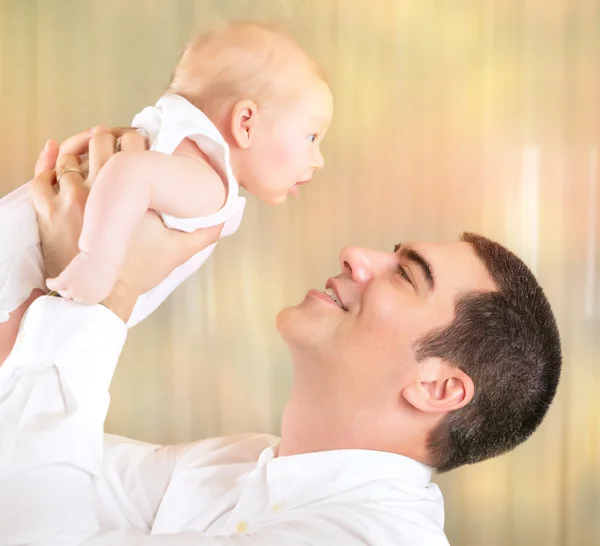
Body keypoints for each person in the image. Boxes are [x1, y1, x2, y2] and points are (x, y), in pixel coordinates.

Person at [0, 133, 561, 545]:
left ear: (438, 387)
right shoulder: (228, 466)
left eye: (406, 275)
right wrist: (66, 239)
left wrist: (106, 290)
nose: (356, 255)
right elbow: (23, 467)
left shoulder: (370, 539)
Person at [0, 20, 333, 360]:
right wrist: (96, 259)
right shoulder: (208, 183)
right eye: (311, 137)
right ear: (245, 122)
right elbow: (126, 171)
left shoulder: (171, 140)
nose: (318, 160)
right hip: (25, 276)